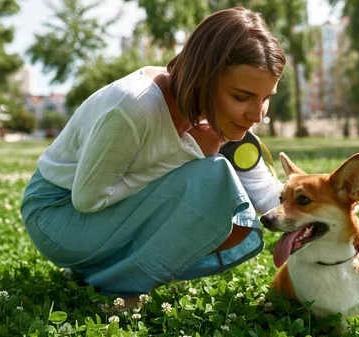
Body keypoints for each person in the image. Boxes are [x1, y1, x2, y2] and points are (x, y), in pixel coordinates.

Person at [20, 7, 286, 304]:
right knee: (212, 177)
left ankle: (105, 271)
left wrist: (314, 214)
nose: (258, 115)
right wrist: (187, 152)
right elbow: (88, 199)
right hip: (57, 215)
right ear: (204, 78)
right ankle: (121, 284)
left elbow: (261, 188)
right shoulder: (134, 107)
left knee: (236, 220)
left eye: (266, 98)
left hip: (93, 217)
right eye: (242, 96)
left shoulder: (213, 114)